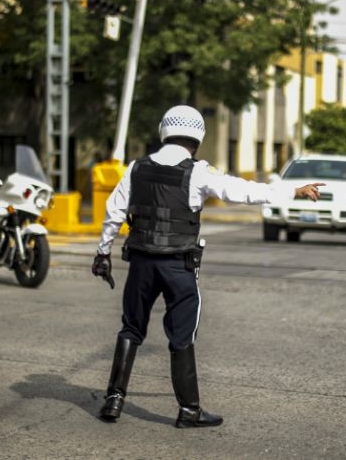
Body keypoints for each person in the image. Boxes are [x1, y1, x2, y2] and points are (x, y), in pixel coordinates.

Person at [91, 105, 324, 428]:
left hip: (141, 263)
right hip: (177, 266)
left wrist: (102, 254)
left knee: (131, 327)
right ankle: (189, 410)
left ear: (164, 130)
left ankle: (114, 400)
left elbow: (113, 211)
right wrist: (292, 189)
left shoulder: (136, 168)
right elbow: (241, 191)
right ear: (198, 136)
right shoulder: (198, 171)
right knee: (182, 336)